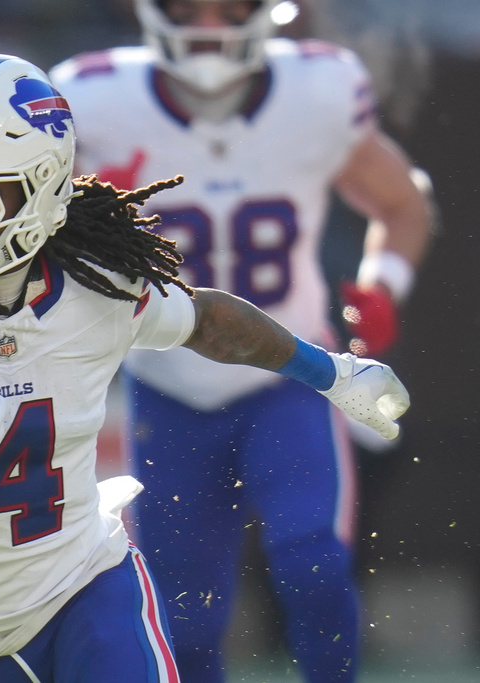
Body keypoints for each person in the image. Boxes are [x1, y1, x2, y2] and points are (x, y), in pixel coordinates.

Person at [0, 52, 410, 683]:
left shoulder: (93, 285)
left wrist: (333, 373)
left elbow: (211, 322)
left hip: (86, 587)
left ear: (45, 186)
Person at [48, 1, 432, 681]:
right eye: (189, 5)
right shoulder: (92, 97)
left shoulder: (316, 90)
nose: (209, 22)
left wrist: (382, 287)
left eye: (229, 5)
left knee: (313, 559)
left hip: (286, 376)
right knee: (186, 616)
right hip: (168, 386)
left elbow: (402, 203)